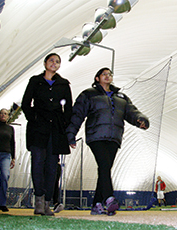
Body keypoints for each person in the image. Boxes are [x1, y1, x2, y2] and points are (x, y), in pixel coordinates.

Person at [66, 67, 149, 216]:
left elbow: (131, 112)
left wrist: (140, 120)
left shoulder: (121, 97)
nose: (107, 76)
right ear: (97, 78)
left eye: (110, 74)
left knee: (105, 169)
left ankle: (96, 204)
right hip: (96, 136)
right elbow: (77, 114)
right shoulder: (88, 94)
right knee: (104, 165)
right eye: (104, 74)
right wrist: (71, 134)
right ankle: (109, 199)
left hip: (114, 137)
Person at [21, 53, 72, 216]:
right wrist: (34, 118)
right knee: (37, 163)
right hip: (38, 128)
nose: (54, 63)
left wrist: (64, 123)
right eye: (51, 60)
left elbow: (68, 107)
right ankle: (39, 200)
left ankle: (48, 203)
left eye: (57, 62)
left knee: (52, 167)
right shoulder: (35, 81)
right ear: (45, 63)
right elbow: (25, 103)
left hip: (56, 129)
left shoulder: (63, 84)